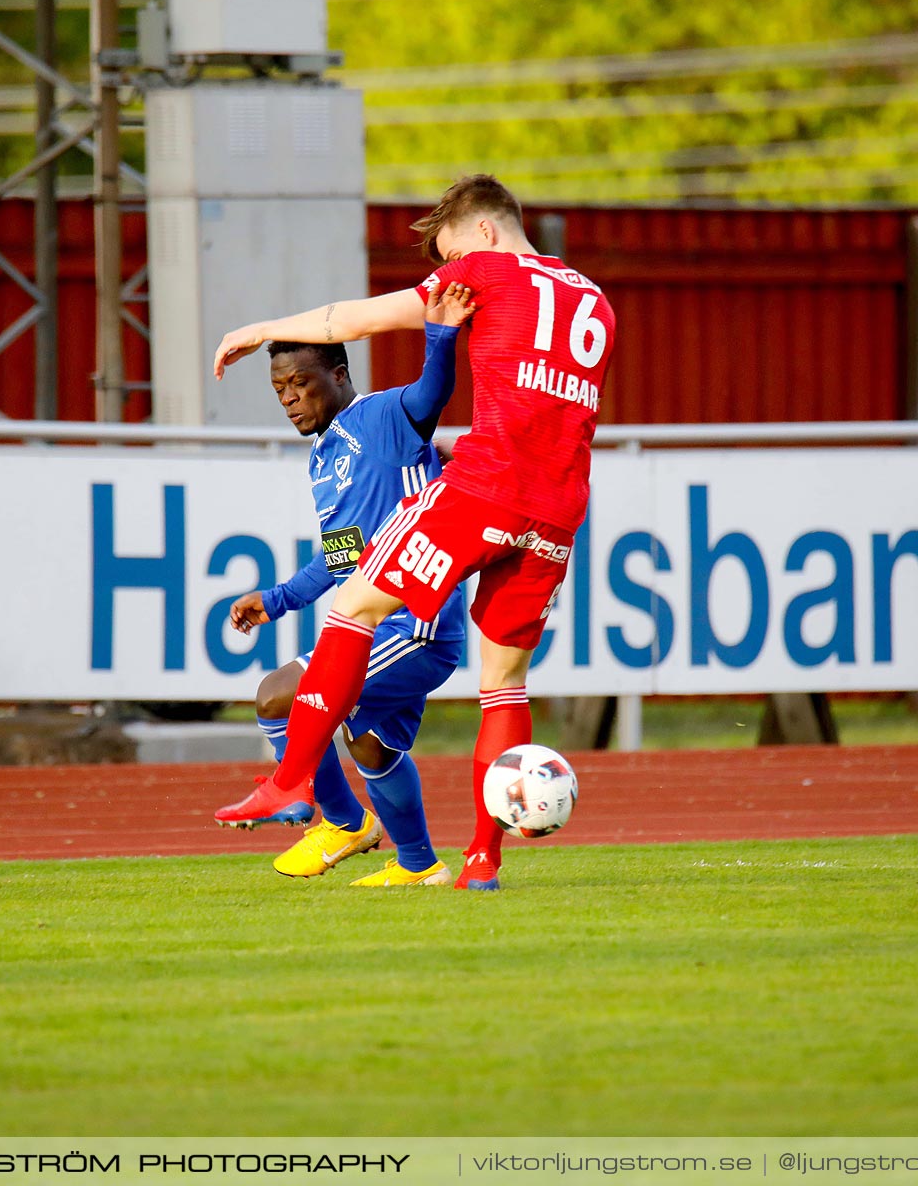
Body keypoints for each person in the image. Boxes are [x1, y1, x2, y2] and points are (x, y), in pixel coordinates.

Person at [212, 174, 616, 891]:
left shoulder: (483, 273)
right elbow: (541, 397)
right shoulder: (595, 300)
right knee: (503, 688)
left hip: (484, 489)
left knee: (355, 610)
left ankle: (297, 784)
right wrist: (277, 598)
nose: (445, 275)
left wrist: (257, 329)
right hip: (555, 503)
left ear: (483, 233)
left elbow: (353, 322)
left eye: (449, 253)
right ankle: (479, 863)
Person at [213, 282, 476, 887]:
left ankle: (340, 820)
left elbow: (432, 394)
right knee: (369, 745)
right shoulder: (322, 454)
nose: (288, 398)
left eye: (299, 383)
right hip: (382, 621)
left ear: (337, 373)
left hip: (416, 621)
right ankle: (420, 866)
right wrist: (277, 599)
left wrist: (441, 333)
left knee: (278, 696)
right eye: (279, 389)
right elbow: (345, 557)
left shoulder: (383, 415)